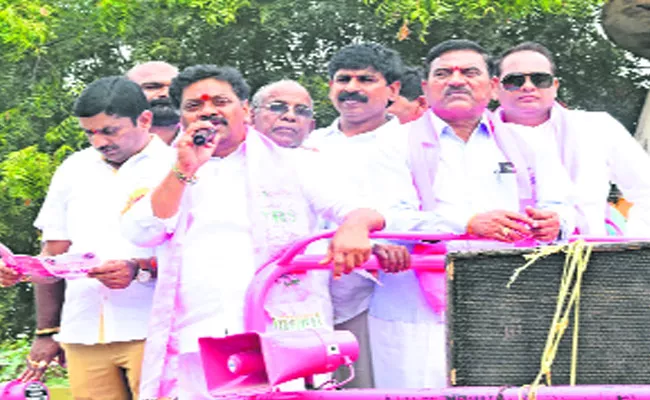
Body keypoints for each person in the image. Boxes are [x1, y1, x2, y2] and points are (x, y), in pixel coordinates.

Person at [120, 64, 389, 400]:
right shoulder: (163, 167)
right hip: (199, 337)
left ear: (245, 110)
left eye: (220, 101)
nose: (208, 110)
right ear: (181, 118)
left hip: (284, 335)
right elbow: (139, 232)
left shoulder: (296, 164)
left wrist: (353, 227)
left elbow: (363, 210)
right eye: (194, 106)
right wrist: (184, 170)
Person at [371, 39, 574, 389]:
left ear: (493, 87)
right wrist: (465, 226)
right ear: (425, 88)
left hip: (509, 300)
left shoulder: (529, 142)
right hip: (415, 307)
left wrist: (555, 223)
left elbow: (563, 207)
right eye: (443, 73)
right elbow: (389, 216)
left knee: (506, 390)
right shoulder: (391, 143)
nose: (456, 80)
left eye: (469, 72)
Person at [0, 76, 172, 399]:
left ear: (145, 120)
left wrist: (140, 268)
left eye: (110, 130)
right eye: (89, 132)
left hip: (155, 328)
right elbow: (54, 250)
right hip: (83, 329)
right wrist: (45, 325)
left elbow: (199, 253)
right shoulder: (74, 168)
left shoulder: (176, 167)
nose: (99, 141)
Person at [303, 42, 407, 389]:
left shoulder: (412, 144)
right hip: (308, 292)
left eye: (366, 80)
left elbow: (421, 210)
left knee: (368, 388)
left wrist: (384, 241)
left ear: (392, 90)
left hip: (381, 292)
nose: (352, 89)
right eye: (342, 79)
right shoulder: (309, 145)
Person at [493, 41, 650, 236]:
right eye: (514, 80)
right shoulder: (477, 135)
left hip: (590, 257)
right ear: (495, 88)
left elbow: (646, 188)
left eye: (540, 79)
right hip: (496, 257)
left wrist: (636, 246)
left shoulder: (597, 127)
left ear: (555, 86)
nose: (528, 87)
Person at [127, 61, 180, 145]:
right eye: (152, 87)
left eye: (174, 87)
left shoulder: (206, 142)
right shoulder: (107, 144)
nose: (166, 93)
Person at [250, 79, 315, 148]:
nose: (290, 116)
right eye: (277, 107)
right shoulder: (238, 155)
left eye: (302, 111)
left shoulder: (319, 158)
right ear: (252, 116)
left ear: (311, 127)